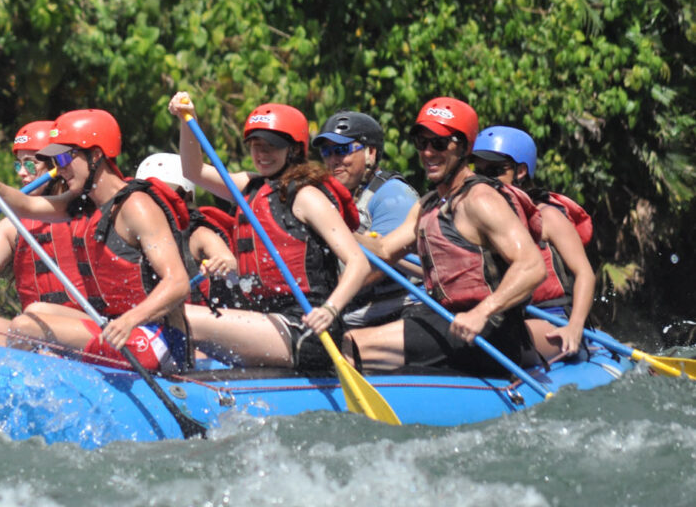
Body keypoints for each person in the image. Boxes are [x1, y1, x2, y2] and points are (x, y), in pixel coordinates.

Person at [0, 109, 192, 372]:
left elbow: (178, 283)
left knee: (26, 327)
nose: (60, 169)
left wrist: (129, 321)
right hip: (114, 325)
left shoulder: (136, 206)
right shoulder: (83, 203)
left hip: (154, 337)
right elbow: (27, 205)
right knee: (21, 315)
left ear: (95, 156)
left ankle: (29, 390)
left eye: (64, 157)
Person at [167, 93, 371, 371]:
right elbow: (193, 171)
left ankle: (175, 383)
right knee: (171, 311)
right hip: (266, 320)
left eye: (272, 147)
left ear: (294, 149)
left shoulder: (306, 196)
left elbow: (358, 262)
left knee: (179, 314)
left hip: (307, 327)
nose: (262, 154)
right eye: (256, 145)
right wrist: (187, 120)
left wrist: (330, 310)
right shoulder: (249, 187)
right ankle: (178, 376)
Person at [345, 98, 547, 375]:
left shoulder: (480, 200)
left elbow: (532, 266)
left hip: (489, 330)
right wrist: (337, 226)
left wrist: (482, 312)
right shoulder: (429, 203)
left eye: (439, 144)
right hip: (444, 319)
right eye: (421, 142)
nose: (428, 152)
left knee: (353, 343)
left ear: (464, 148)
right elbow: (383, 250)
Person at [0, 121, 85, 346]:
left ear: (57, 165)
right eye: (18, 165)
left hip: (88, 329)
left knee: (35, 315)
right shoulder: (13, 226)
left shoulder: (85, 208)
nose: (22, 173)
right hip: (37, 333)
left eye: (30, 165)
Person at [472, 125, 596, 359]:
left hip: (554, 318)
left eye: (494, 171)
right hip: (512, 319)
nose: (484, 182)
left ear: (520, 171)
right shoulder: (485, 223)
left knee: (489, 340)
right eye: (478, 173)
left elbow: (585, 274)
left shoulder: (547, 217)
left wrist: (575, 327)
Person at [313, 111, 420, 326]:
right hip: (358, 307)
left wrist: (327, 299)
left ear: (371, 153)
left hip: (401, 306)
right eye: (327, 152)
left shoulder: (392, 194)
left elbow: (379, 265)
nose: (334, 160)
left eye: (342, 150)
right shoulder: (329, 198)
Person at [134, 153, 239, 308]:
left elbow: (233, 265)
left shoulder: (199, 235)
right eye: (148, 196)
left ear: (187, 198)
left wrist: (221, 264)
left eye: (165, 196)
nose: (157, 203)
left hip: (198, 319)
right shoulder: (132, 233)